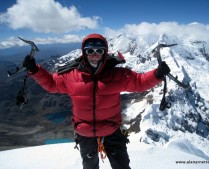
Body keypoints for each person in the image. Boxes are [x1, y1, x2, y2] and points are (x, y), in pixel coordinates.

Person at [23, 33, 170, 169]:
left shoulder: (117, 75)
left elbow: (139, 82)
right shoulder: (71, 77)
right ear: (84, 53)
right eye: (90, 51)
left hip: (111, 129)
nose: (94, 55)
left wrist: (157, 74)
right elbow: (52, 84)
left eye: (99, 51)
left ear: (105, 53)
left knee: (122, 166)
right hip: (86, 133)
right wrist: (35, 70)